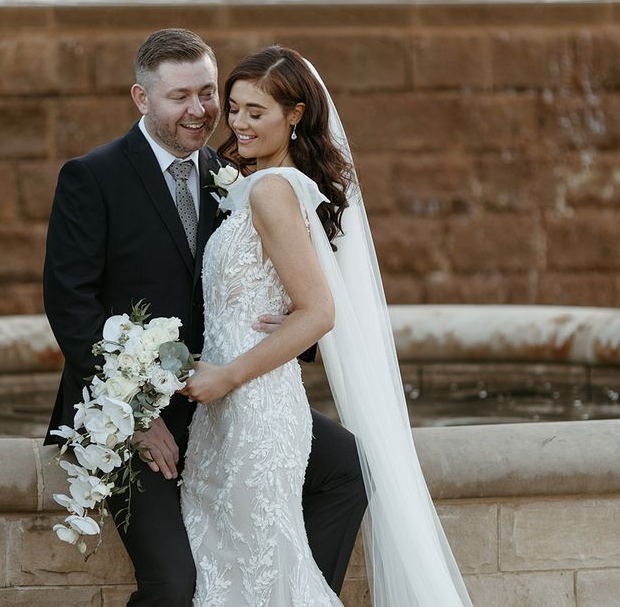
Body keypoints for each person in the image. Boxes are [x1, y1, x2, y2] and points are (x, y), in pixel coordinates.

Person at [42, 29, 366, 606]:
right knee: (175, 583)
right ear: (142, 99)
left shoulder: (235, 178)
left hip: (219, 399)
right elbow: (71, 305)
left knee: (347, 467)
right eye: (180, 97)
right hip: (125, 417)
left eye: (208, 93)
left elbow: (274, 280)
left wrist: (285, 322)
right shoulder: (93, 178)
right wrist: (138, 417)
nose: (202, 111)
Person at [179, 46, 473, 606]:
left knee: (259, 574)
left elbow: (319, 313)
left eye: (256, 112)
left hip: (252, 407)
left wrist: (226, 376)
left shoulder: (271, 190)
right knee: (238, 571)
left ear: (294, 116)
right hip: (231, 408)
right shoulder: (265, 184)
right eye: (234, 108)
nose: (238, 123)